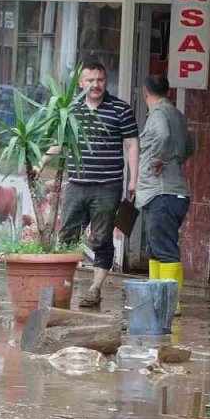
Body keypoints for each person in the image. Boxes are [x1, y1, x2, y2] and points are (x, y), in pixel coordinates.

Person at [52, 61, 140, 308]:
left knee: (101, 239)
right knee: (67, 236)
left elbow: (132, 144)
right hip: (76, 184)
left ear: (106, 81)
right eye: (90, 80)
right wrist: (39, 162)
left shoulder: (120, 110)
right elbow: (60, 142)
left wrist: (134, 179)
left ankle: (94, 289)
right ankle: (62, 287)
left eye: (100, 80)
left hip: (107, 186)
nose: (95, 85)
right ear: (80, 83)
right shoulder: (71, 110)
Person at [135, 74, 194, 315]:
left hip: (162, 193)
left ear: (144, 92)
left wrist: (158, 159)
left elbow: (161, 135)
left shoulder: (159, 113)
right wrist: (174, 160)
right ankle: (156, 297)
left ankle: (170, 303)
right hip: (171, 192)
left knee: (165, 249)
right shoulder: (175, 113)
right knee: (156, 247)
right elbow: (191, 145)